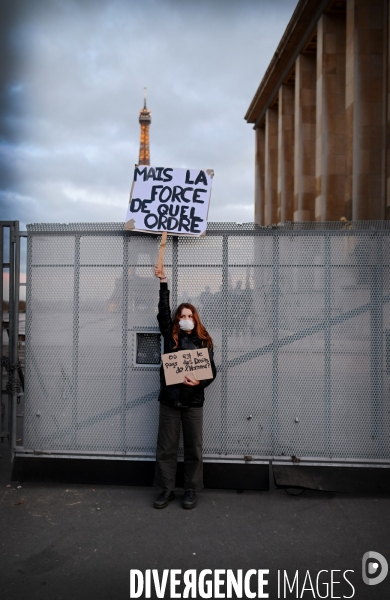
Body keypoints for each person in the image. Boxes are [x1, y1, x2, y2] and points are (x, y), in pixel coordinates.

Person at [153, 264, 217, 509]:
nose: (186, 319)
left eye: (190, 316)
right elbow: (163, 313)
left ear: (195, 319)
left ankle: (190, 490)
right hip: (170, 400)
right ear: (178, 319)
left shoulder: (203, 340)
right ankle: (167, 490)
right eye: (183, 316)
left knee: (194, 449)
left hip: (193, 402)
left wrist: (200, 381)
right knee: (166, 448)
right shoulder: (170, 336)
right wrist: (163, 283)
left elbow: (211, 371)